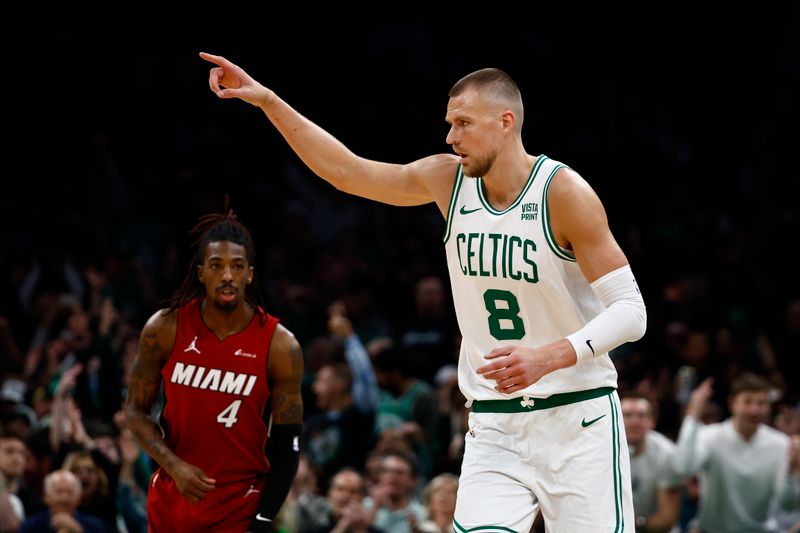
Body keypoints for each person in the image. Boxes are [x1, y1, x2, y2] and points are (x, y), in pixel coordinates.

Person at [201, 52, 647, 531]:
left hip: (577, 419)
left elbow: (630, 312)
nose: (450, 137)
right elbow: (347, 172)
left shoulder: (563, 193)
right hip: (495, 425)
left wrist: (549, 356)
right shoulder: (447, 180)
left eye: (462, 123)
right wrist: (268, 101)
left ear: (505, 122)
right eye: (449, 123)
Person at [125, 205, 304, 532]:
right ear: (200, 272)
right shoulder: (164, 328)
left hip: (238, 507)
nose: (226, 276)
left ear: (249, 274)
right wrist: (174, 466)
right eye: (216, 266)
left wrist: (263, 518)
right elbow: (135, 412)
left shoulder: (281, 346)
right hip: (171, 501)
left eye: (237, 267)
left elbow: (287, 446)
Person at [674, 372, 799, 532]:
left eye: (761, 403)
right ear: (732, 403)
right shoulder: (710, 436)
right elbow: (683, 467)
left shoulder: (780, 444)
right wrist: (693, 414)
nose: (754, 410)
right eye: (747, 402)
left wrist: (791, 471)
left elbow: (787, 504)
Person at [620, 393, 681, 532]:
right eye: (627, 415)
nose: (634, 422)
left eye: (641, 415)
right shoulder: (602, 450)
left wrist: (633, 523)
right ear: (616, 418)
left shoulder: (667, 454)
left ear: (652, 421)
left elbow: (667, 519)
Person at [19, 468, 107, 533]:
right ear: (46, 496)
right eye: (58, 492)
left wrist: (79, 531)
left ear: (79, 498)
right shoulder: (30, 526)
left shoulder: (95, 526)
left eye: (69, 492)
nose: (64, 498)